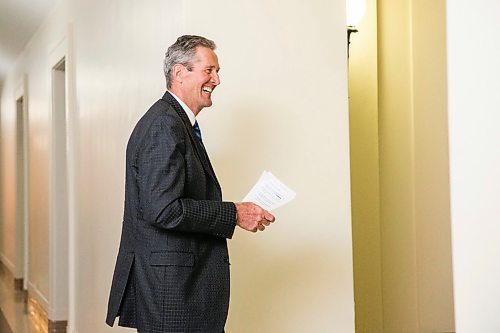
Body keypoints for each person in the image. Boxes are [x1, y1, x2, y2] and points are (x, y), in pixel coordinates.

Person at [105, 35, 275, 333]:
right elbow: (164, 210)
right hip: (173, 295)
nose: (217, 80)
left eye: (217, 71)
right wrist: (234, 213)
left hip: (180, 292)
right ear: (180, 73)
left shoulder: (175, 122)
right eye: (209, 70)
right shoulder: (164, 125)